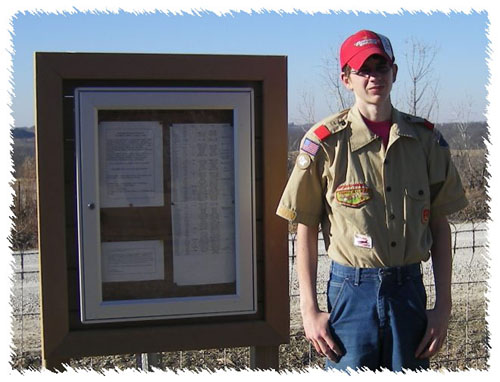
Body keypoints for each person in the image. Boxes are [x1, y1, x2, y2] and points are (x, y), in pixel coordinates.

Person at [276, 29, 468, 372]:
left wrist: (443, 307)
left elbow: (440, 226)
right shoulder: (325, 144)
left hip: (408, 288)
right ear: (346, 79)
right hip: (351, 293)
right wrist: (309, 310)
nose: (373, 77)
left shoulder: (425, 141)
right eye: (362, 69)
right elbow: (304, 228)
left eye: (380, 67)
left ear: (394, 73)